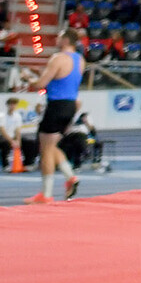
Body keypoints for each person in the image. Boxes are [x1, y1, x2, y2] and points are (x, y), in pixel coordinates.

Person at [24, 29, 85, 202]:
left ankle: (46, 194)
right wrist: (40, 72)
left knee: (46, 150)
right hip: (70, 105)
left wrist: (28, 78)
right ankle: (70, 177)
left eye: (59, 37)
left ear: (65, 40)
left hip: (56, 106)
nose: (56, 39)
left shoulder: (58, 58)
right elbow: (62, 80)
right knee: (51, 146)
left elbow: (41, 84)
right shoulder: (80, 60)